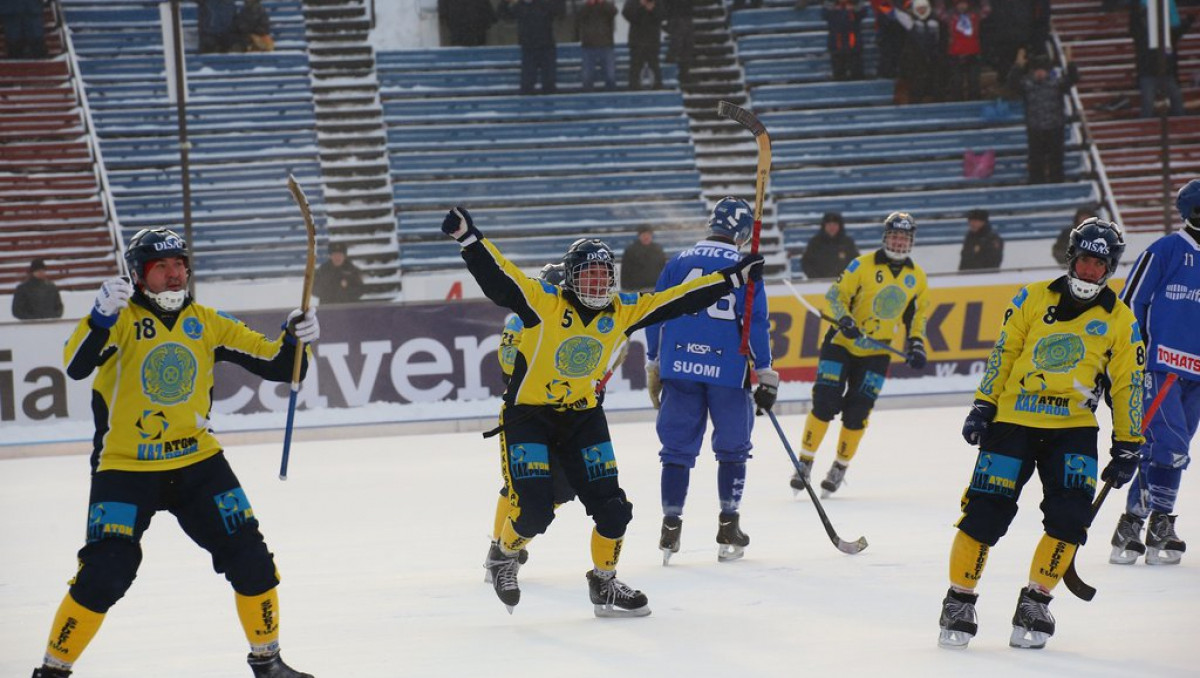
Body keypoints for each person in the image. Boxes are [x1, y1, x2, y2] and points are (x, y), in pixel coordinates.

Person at [441, 206, 764, 616]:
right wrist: (471, 239)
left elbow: (676, 300)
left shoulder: (622, 309)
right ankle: (503, 555)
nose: (597, 285)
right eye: (588, 276)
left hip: (582, 417)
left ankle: (604, 584)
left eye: (604, 276)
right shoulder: (543, 302)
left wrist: (733, 278)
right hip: (529, 416)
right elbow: (501, 278)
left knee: (614, 510)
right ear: (571, 280)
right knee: (535, 509)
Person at [30, 228, 319, 678]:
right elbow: (76, 365)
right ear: (140, 274)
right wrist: (99, 318)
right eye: (161, 266)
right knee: (106, 573)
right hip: (126, 469)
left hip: (198, 464)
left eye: (179, 264)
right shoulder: (120, 319)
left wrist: (296, 336)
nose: (173, 274)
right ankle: (52, 670)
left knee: (252, 560)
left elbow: (282, 365)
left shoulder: (207, 320)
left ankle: (269, 662)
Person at [938, 217, 1144, 650]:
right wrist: (983, 404)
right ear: (1072, 258)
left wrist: (1128, 441)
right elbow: (1004, 351)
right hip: (1013, 421)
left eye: (1100, 265)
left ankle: (1036, 600)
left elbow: (1128, 383)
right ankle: (959, 599)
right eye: (1085, 261)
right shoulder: (1031, 297)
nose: (1091, 271)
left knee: (1071, 519)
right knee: (985, 514)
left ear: (1110, 269)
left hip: (1074, 430)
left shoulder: (1121, 320)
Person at [644, 197, 778, 564]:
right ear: (743, 231)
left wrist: (654, 361)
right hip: (727, 373)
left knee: (675, 451)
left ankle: (670, 528)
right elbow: (755, 322)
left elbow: (654, 313)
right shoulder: (745, 266)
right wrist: (764, 370)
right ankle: (727, 525)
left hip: (679, 367)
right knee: (733, 449)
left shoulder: (678, 261)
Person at [790, 212, 930, 497]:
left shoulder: (917, 277)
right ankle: (804, 462)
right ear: (885, 237)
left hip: (877, 352)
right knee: (825, 402)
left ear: (911, 241)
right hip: (841, 343)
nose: (899, 242)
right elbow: (835, 296)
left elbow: (917, 316)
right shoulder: (861, 265)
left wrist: (916, 343)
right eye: (894, 236)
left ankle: (840, 466)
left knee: (858, 411)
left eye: (904, 238)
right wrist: (845, 319)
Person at [1108, 180, 1200, 566]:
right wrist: (1136, 355)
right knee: (1172, 445)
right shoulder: (1166, 250)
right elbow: (1130, 302)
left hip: (1197, 373)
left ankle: (1132, 523)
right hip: (1162, 367)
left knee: (1162, 450)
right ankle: (1161, 520)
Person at [486, 261, 576, 580]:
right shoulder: (521, 318)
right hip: (527, 410)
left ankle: (512, 540)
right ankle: (499, 550)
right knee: (519, 487)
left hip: (564, 413)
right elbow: (508, 363)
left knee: (563, 487)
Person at [1008, 48, 1079, 184]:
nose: (1040, 73)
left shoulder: (1056, 84)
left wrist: (1070, 63)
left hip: (1055, 126)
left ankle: (1057, 182)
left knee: (1056, 159)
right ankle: (1036, 183)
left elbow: (1073, 78)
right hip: (1035, 128)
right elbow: (1012, 83)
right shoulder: (1027, 84)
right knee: (1036, 160)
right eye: (1037, 70)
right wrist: (1017, 66)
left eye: (1042, 70)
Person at [1131, 0, 1191, 118]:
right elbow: (1134, 27)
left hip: (1165, 72)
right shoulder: (1142, 33)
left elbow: (1177, 32)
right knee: (1148, 103)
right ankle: (1146, 126)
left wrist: (1188, 22)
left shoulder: (1167, 32)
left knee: (1176, 98)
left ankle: (1179, 120)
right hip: (1148, 73)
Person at [500, 0, 565, 95]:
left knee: (549, 83)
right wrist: (505, 2)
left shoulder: (545, 5)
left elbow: (560, 11)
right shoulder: (520, 6)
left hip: (546, 46)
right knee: (527, 84)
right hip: (529, 47)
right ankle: (527, 107)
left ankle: (550, 107)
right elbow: (504, 15)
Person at [891, 0, 943, 104]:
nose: (922, 11)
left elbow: (939, 40)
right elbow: (897, 13)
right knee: (917, 84)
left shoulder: (935, 23)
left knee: (934, 82)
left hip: (933, 58)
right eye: (919, 9)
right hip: (916, 61)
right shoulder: (911, 23)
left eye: (923, 8)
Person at [940, 0, 987, 101]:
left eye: (964, 3)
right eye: (959, 3)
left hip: (973, 52)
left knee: (974, 82)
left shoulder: (975, 15)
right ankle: (957, 104)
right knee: (956, 82)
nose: (962, 6)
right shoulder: (950, 16)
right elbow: (939, 12)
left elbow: (986, 10)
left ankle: (974, 103)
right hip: (955, 53)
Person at [801, 211, 860, 280]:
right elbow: (806, 263)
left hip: (843, 284)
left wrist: (847, 277)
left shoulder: (847, 242)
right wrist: (815, 278)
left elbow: (856, 262)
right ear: (824, 226)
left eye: (835, 224)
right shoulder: (815, 243)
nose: (832, 227)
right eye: (829, 224)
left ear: (840, 226)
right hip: (819, 284)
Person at [622, 0, 665, 89]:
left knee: (654, 65)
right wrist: (640, 6)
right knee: (635, 65)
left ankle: (658, 86)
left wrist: (652, 9)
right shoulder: (632, 2)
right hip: (637, 39)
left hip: (653, 40)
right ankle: (634, 87)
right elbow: (627, 14)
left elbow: (663, 15)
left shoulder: (658, 2)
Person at [578, 0, 618, 91]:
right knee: (587, 77)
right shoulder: (585, 7)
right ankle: (589, 101)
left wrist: (602, 3)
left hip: (606, 45)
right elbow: (579, 16)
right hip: (588, 46)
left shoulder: (607, 6)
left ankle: (611, 99)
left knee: (610, 76)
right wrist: (589, 5)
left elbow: (614, 12)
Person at [823, 0, 867, 81]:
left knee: (856, 73)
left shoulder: (856, 4)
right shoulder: (830, 5)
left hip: (853, 43)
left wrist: (853, 8)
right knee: (839, 73)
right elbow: (825, 14)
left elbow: (862, 13)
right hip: (837, 42)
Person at [312, 241, 364, 305]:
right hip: (327, 308)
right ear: (330, 256)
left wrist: (347, 288)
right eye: (334, 255)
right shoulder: (323, 270)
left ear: (344, 256)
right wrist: (327, 287)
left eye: (340, 255)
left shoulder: (352, 270)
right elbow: (313, 289)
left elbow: (360, 290)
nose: (337, 258)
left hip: (348, 308)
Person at [620, 224, 668, 291]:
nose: (646, 237)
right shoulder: (631, 251)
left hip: (656, 288)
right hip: (637, 289)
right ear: (639, 236)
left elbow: (663, 269)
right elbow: (625, 272)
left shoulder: (658, 250)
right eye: (643, 235)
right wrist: (626, 290)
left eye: (648, 234)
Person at [664, 0, 695, 82]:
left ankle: (684, 72)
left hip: (687, 15)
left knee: (688, 45)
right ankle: (669, 73)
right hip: (675, 16)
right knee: (676, 44)